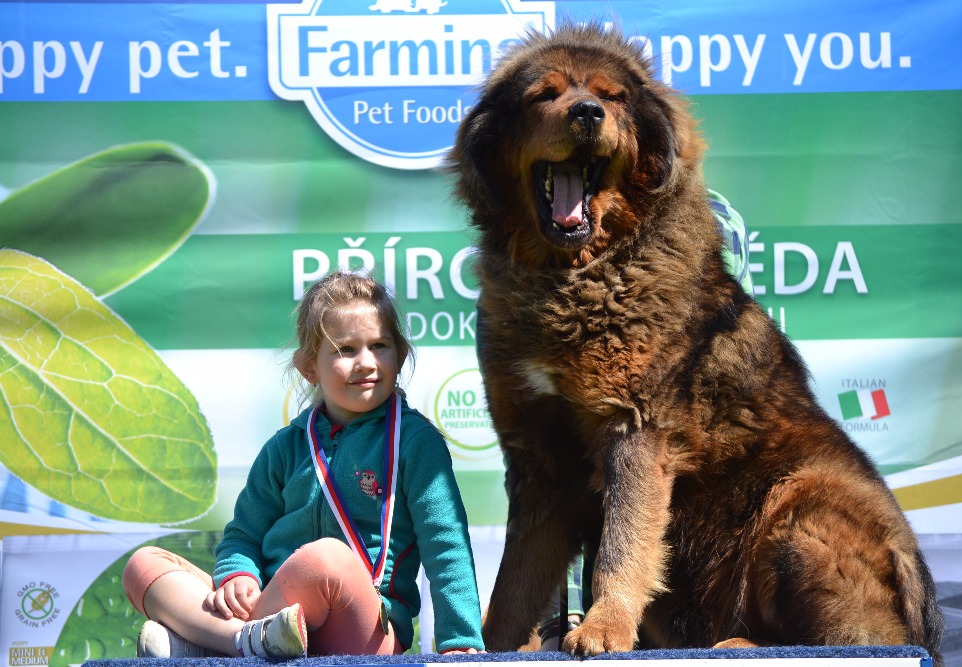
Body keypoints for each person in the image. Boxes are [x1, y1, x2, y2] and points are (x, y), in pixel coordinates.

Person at [122, 271, 485, 658]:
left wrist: (461, 641)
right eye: (346, 350)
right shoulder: (284, 447)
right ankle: (246, 642)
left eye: (380, 345)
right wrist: (238, 574)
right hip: (268, 610)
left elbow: (446, 545)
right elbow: (243, 536)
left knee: (324, 558)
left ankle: (210, 643)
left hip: (364, 631)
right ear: (309, 367)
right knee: (144, 565)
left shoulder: (415, 442)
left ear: (400, 354)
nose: (366, 362)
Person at [532, 188, 756, 652]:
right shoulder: (544, 208)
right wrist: (563, 617)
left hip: (701, 541)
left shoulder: (713, 215)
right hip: (602, 579)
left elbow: (714, 336)